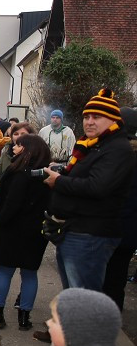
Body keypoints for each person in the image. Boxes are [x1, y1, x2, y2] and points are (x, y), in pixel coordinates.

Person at [41, 89, 135, 293]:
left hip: (91, 235)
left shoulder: (117, 149)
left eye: (97, 117)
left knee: (82, 300)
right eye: (86, 116)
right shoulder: (92, 145)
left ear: (113, 120)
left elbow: (97, 187)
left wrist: (59, 181)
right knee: (74, 298)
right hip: (76, 231)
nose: (89, 121)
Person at [0, 134, 52, 330]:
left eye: (19, 145)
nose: (14, 148)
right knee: (30, 274)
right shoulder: (46, 175)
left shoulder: (17, 173)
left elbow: (9, 203)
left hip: (10, 229)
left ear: (28, 149)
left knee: (4, 271)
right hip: (35, 232)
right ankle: (24, 318)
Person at [102, 107, 137, 311]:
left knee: (101, 280)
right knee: (117, 280)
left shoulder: (118, 155)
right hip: (129, 232)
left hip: (109, 228)